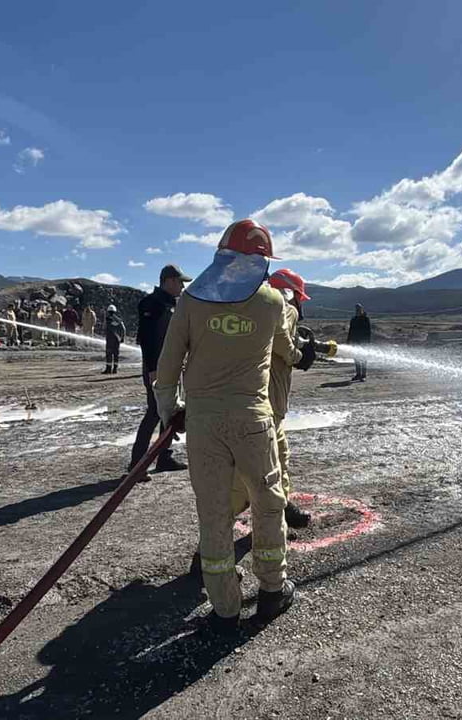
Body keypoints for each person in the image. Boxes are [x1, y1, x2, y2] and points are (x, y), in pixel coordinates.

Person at [154, 219, 307, 632]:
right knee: (268, 503)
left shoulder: (190, 302)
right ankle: (273, 592)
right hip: (254, 422)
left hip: (203, 424)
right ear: (260, 260)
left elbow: (166, 370)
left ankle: (224, 608)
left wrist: (172, 412)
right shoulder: (272, 303)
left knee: (214, 513)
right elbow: (288, 353)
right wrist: (305, 352)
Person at [231, 269, 335, 529]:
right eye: (301, 297)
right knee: (256, 471)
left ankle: (283, 507)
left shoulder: (255, 308)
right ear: (295, 294)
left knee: (278, 458)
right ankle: (216, 536)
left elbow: (282, 338)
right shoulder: (286, 308)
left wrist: (311, 347)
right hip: (267, 403)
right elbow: (284, 346)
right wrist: (301, 357)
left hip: (251, 399)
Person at [129, 264, 192, 477]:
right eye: (180, 282)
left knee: (170, 413)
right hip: (157, 369)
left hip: (171, 367)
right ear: (170, 281)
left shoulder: (171, 305)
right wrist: (154, 370)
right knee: (154, 413)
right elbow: (147, 341)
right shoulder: (151, 304)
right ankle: (136, 465)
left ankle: (164, 457)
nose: (183, 287)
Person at [347, 303, 372, 381]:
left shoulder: (365, 319)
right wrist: (348, 341)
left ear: (362, 309)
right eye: (356, 309)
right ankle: (358, 374)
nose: (357, 310)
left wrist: (367, 342)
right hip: (355, 341)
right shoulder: (353, 319)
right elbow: (350, 331)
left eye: (359, 309)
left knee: (363, 358)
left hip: (363, 342)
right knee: (356, 358)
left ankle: (363, 375)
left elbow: (368, 331)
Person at [103, 305, 125, 374]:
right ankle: (115, 369)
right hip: (117, 340)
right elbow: (123, 329)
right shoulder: (118, 320)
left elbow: (106, 328)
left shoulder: (108, 319)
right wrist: (122, 338)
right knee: (116, 354)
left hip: (110, 339)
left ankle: (108, 369)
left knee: (109, 354)